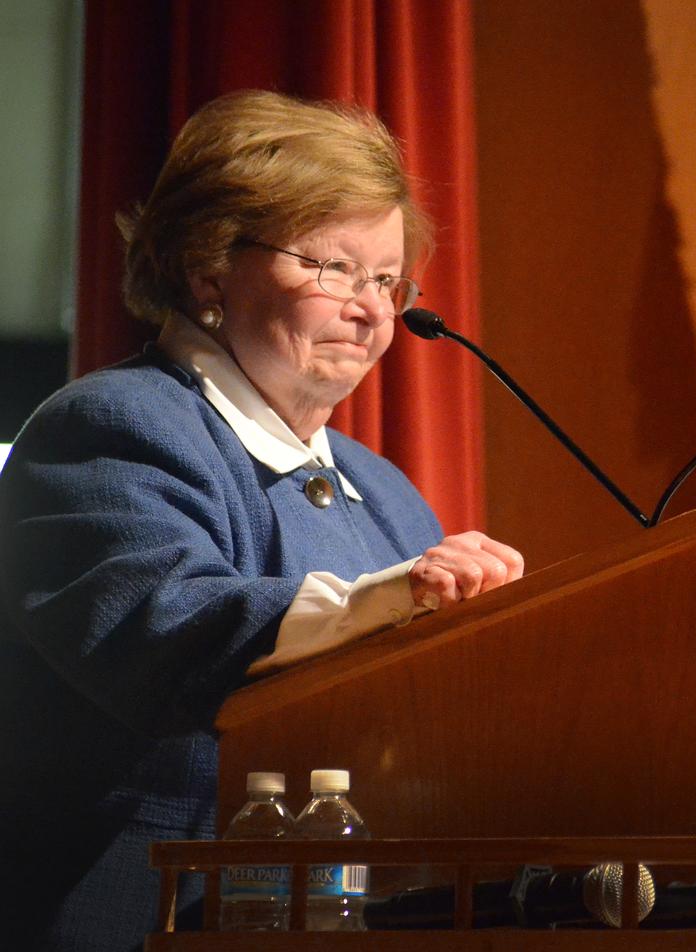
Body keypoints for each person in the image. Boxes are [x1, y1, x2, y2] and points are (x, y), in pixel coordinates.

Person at [0, 90, 523, 950]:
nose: (374, 311)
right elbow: (163, 630)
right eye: (334, 270)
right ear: (209, 269)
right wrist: (385, 601)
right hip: (126, 920)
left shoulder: (386, 492)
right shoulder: (107, 427)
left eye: (388, 279)